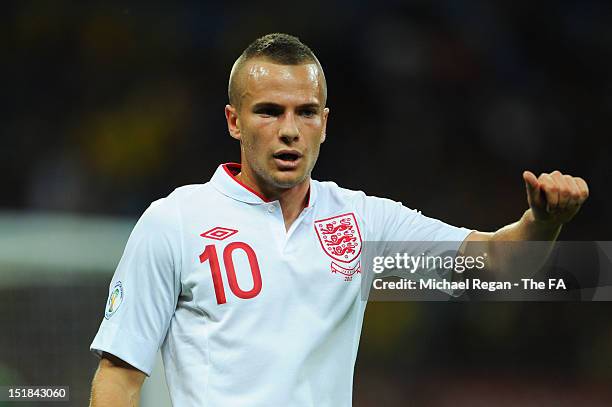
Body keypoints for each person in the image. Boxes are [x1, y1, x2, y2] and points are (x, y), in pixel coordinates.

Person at [89, 33, 589, 406]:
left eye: (306, 113)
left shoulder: (363, 221)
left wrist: (543, 222)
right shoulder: (174, 221)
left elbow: (496, 264)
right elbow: (119, 375)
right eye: (269, 111)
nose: (289, 130)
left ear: (324, 124)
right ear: (233, 121)